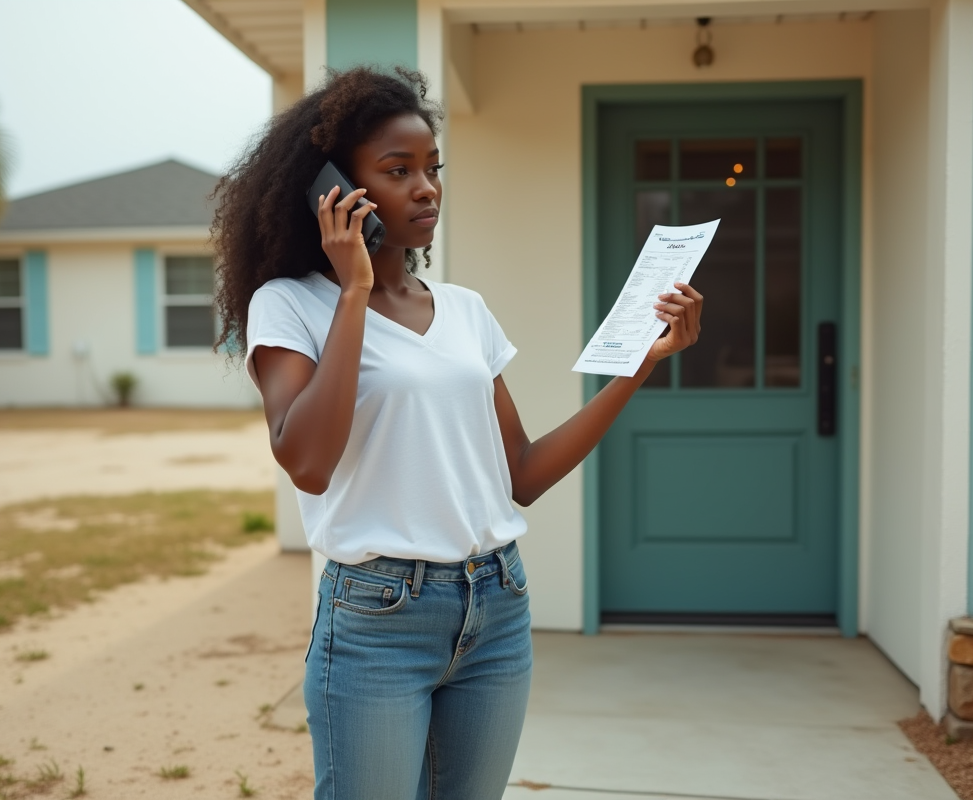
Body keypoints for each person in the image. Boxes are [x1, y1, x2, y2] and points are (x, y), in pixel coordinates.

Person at [212, 67, 704, 800]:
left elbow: (523, 474)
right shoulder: (290, 306)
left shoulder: (466, 310)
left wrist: (637, 368)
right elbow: (308, 462)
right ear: (331, 191)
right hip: (377, 621)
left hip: (497, 606)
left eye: (433, 169)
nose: (427, 188)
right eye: (398, 170)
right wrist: (352, 290)